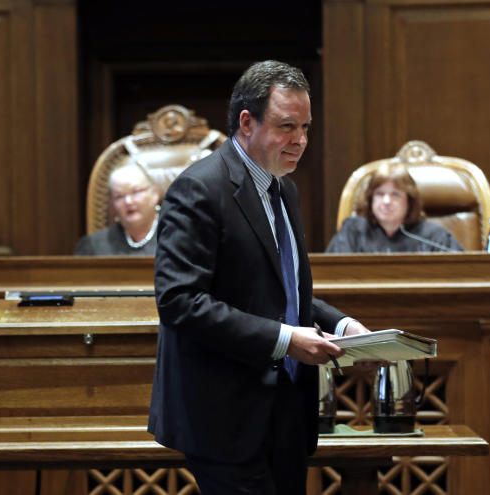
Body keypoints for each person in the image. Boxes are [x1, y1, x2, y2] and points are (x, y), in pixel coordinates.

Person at [149, 60, 372, 495]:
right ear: (246, 123)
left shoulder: (283, 187)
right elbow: (180, 301)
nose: (301, 141)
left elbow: (280, 292)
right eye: (288, 126)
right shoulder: (200, 189)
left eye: (306, 127)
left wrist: (343, 326)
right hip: (224, 414)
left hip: (284, 410)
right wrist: (288, 339)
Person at [326, 162, 463, 253]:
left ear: (409, 201)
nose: (386, 201)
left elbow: (462, 275)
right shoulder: (353, 232)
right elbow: (332, 277)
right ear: (370, 199)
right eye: (379, 194)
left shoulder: (436, 237)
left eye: (395, 195)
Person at [74, 164, 161, 255]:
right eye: (119, 196)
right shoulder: (93, 245)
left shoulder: (174, 235)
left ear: (154, 194)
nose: (128, 201)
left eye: (135, 192)